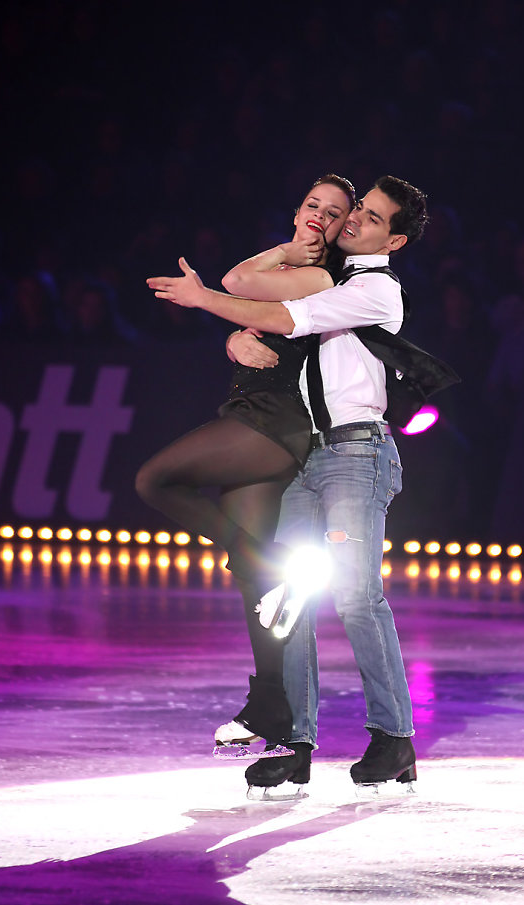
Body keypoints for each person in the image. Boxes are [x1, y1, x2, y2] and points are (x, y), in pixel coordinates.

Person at [147, 175, 459, 793]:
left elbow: (289, 318)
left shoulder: (374, 290)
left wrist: (208, 301)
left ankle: (394, 738)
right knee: (289, 595)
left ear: (393, 240)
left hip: (356, 452)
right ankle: (294, 740)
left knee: (354, 595)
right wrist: (238, 338)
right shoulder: (336, 272)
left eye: (370, 219)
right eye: (359, 210)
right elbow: (281, 337)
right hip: (306, 457)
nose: (355, 222)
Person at [136, 174, 356, 749]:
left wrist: (280, 257)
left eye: (332, 214)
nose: (318, 216)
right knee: (255, 585)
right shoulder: (287, 272)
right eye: (312, 204)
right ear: (296, 208)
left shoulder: (320, 274)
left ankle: (270, 558)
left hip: (273, 418)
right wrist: (233, 337)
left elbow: (234, 282)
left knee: (155, 480)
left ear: (341, 228)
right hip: (257, 410)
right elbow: (246, 302)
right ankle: (272, 711)